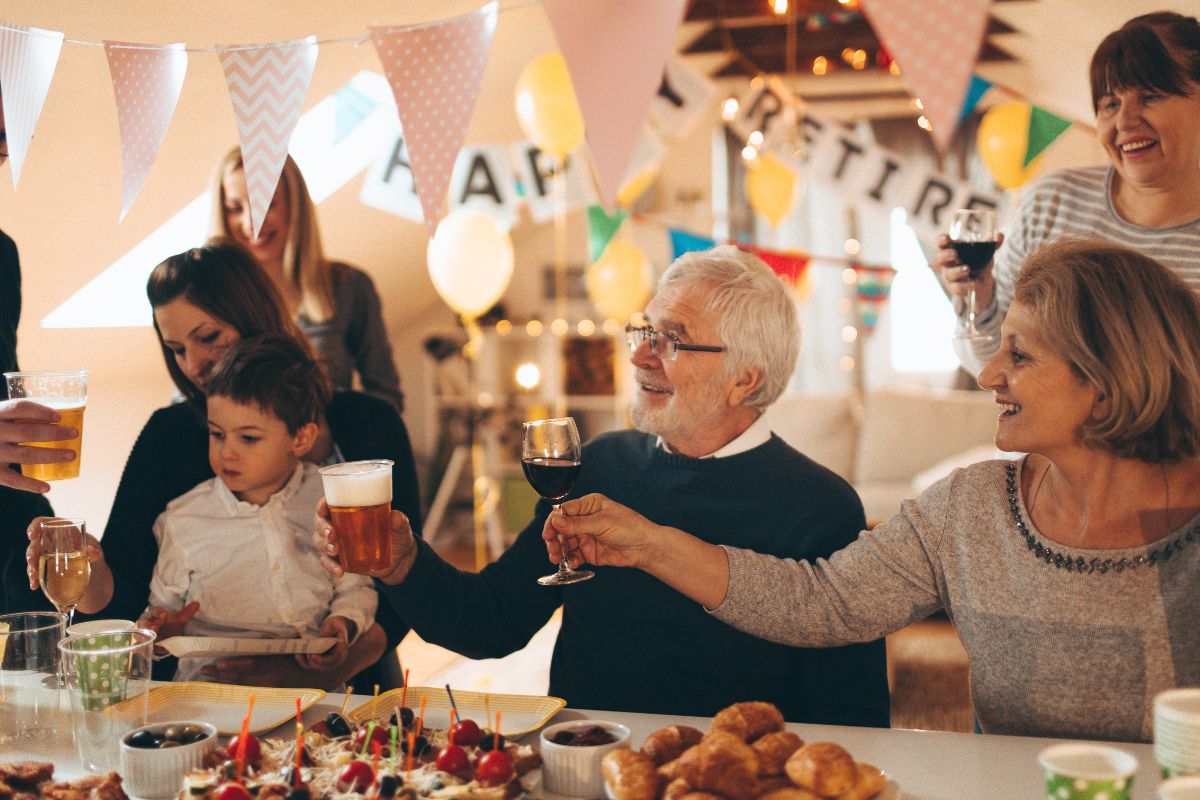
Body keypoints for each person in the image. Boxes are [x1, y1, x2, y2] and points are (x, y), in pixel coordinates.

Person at [548, 240, 1200, 743]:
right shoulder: (970, 508)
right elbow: (821, 601)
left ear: (1108, 382)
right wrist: (648, 543)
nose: (988, 375)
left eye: (1020, 356)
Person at [315, 245, 890, 725]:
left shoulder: (822, 508)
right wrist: (401, 565)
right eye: (646, 330)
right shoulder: (601, 465)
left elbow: (855, 720)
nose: (639, 354)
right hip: (585, 765)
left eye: (673, 339)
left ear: (745, 378)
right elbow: (492, 621)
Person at [99, 241, 422, 689]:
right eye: (175, 349)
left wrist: (324, 667)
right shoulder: (168, 437)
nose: (193, 365)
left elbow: (407, 579)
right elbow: (127, 583)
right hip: (216, 691)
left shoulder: (369, 423)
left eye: (208, 337)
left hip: (356, 678)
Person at [937, 11, 1200, 374]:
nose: (1124, 121)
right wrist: (978, 299)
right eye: (1110, 104)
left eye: (1150, 96)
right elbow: (991, 365)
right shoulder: (1052, 204)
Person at [140, 334, 381, 687]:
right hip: (209, 696)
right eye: (217, 435)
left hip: (312, 692)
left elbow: (356, 587)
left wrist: (342, 625)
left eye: (248, 438)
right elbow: (158, 615)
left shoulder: (332, 500)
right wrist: (162, 630)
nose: (227, 453)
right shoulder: (183, 519)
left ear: (301, 438)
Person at [210, 148, 404, 413]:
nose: (252, 222)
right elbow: (187, 401)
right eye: (234, 208)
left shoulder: (349, 286)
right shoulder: (212, 300)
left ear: (295, 204)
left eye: (266, 204)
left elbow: (386, 396)